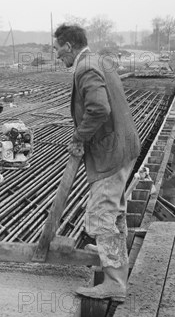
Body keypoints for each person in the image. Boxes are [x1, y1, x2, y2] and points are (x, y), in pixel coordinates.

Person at [53, 24, 140, 302]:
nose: (57, 56)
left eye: (57, 50)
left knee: (102, 214)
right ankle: (114, 264)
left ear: (68, 46)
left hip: (110, 151)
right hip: (124, 146)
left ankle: (114, 281)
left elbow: (100, 108)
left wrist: (80, 136)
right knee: (114, 212)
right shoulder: (99, 60)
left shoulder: (85, 68)